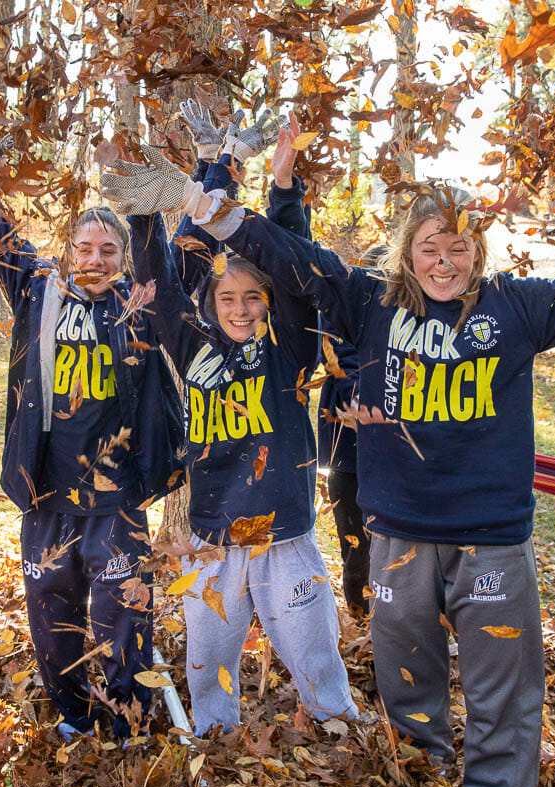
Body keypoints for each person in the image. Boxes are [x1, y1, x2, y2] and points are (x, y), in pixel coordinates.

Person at [101, 140, 555, 787]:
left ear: (479, 249)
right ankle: (423, 780)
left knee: (501, 694)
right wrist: (195, 200)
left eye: (459, 247)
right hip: (398, 539)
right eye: (430, 248)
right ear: (408, 253)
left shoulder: (517, 308)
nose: (444, 263)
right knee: (408, 691)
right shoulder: (370, 303)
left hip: (489, 539)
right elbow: (286, 254)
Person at [106, 110, 359, 736]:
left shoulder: (288, 347)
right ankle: (215, 735)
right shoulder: (192, 344)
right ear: (211, 303)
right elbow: (159, 283)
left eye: (253, 299)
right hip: (212, 538)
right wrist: (143, 215)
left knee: (312, 649)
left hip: (285, 536)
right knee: (208, 659)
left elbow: (297, 272)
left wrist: (284, 192)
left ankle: (335, 725)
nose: (242, 310)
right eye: (228, 299)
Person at [0, 194, 184, 740]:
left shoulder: (139, 304)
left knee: (124, 618)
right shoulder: (40, 292)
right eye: (85, 248)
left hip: (118, 498)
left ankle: (128, 721)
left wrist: (153, 203)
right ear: (68, 251)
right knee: (52, 615)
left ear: (123, 257)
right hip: (48, 492)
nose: (95, 260)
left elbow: (169, 265)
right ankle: (73, 713)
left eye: (108, 250)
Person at [319, 243, 386, 619]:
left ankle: (390, 616)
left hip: (395, 454)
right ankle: (360, 619)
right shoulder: (340, 312)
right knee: (356, 542)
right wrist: (363, 397)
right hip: (348, 454)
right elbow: (338, 360)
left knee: (391, 541)